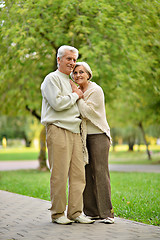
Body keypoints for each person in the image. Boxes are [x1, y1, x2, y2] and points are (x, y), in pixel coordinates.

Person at [40, 46, 94, 225]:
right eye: (68, 59)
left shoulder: (72, 82)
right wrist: (75, 94)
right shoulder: (51, 79)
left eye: (74, 59)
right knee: (60, 175)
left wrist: (76, 92)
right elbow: (56, 104)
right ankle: (57, 214)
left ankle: (76, 212)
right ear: (59, 60)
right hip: (58, 129)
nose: (72, 63)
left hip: (74, 131)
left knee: (79, 175)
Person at [70, 62, 114, 224]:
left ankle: (107, 213)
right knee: (85, 173)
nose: (78, 75)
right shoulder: (75, 91)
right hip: (83, 137)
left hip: (99, 136)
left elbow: (87, 112)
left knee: (100, 172)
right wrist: (75, 94)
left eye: (81, 72)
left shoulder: (96, 90)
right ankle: (92, 212)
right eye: (75, 73)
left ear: (88, 74)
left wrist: (77, 96)